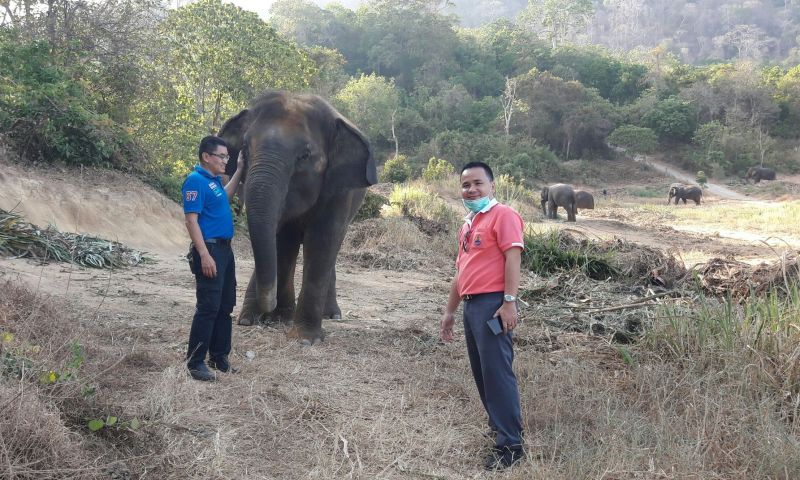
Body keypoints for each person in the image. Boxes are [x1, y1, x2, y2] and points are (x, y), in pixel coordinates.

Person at [440, 161, 525, 470]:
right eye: (465, 185)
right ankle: (498, 429)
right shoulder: (468, 224)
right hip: (471, 306)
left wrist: (509, 302)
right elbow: (461, 273)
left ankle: (511, 447)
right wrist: (450, 312)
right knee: (482, 372)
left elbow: (513, 258)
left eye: (478, 183)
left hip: (493, 304)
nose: (471, 189)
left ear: (492, 186)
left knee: (498, 374)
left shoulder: (503, 215)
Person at [182, 135, 244, 382]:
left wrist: (239, 170)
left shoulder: (214, 182)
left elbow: (224, 197)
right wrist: (204, 254)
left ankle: (219, 357)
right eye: (222, 156)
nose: (225, 161)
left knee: (225, 305)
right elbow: (191, 220)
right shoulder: (195, 181)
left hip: (225, 251)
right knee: (208, 307)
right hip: (210, 251)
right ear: (206, 157)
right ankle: (195, 363)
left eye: (227, 157)